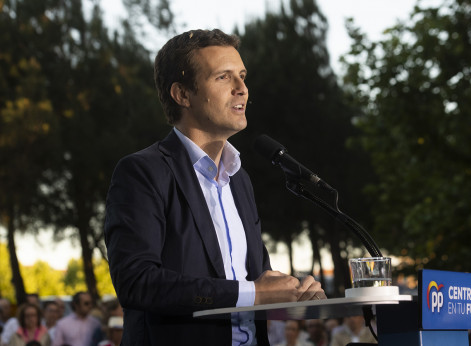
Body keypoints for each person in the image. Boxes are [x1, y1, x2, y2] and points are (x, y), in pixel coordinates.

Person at [104, 28, 325, 345]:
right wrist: (253, 292)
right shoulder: (142, 172)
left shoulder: (239, 178)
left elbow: (255, 281)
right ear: (182, 94)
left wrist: (291, 290)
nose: (242, 89)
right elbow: (137, 282)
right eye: (223, 77)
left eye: (242, 76)